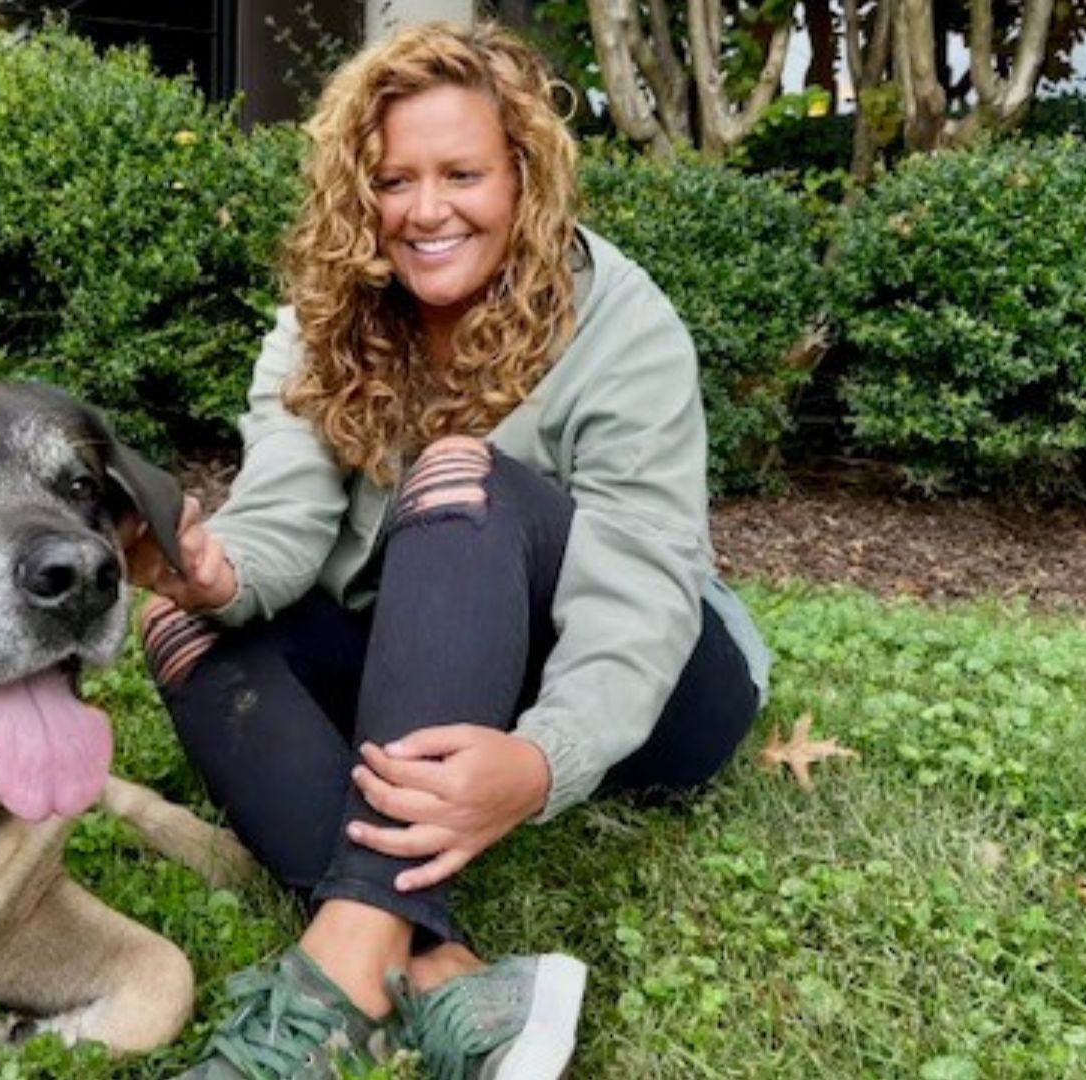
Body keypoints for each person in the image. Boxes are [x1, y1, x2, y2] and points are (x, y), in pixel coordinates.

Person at [123, 20, 771, 1080]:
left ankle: (330, 989)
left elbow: (646, 585)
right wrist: (217, 571)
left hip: (653, 692)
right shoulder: (323, 324)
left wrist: (541, 760)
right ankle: (435, 966)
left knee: (456, 472)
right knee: (185, 632)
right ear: (356, 193)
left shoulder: (621, 323)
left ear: (524, 174)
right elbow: (281, 519)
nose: (426, 211)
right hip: (426, 670)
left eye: (462, 173)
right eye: (394, 180)